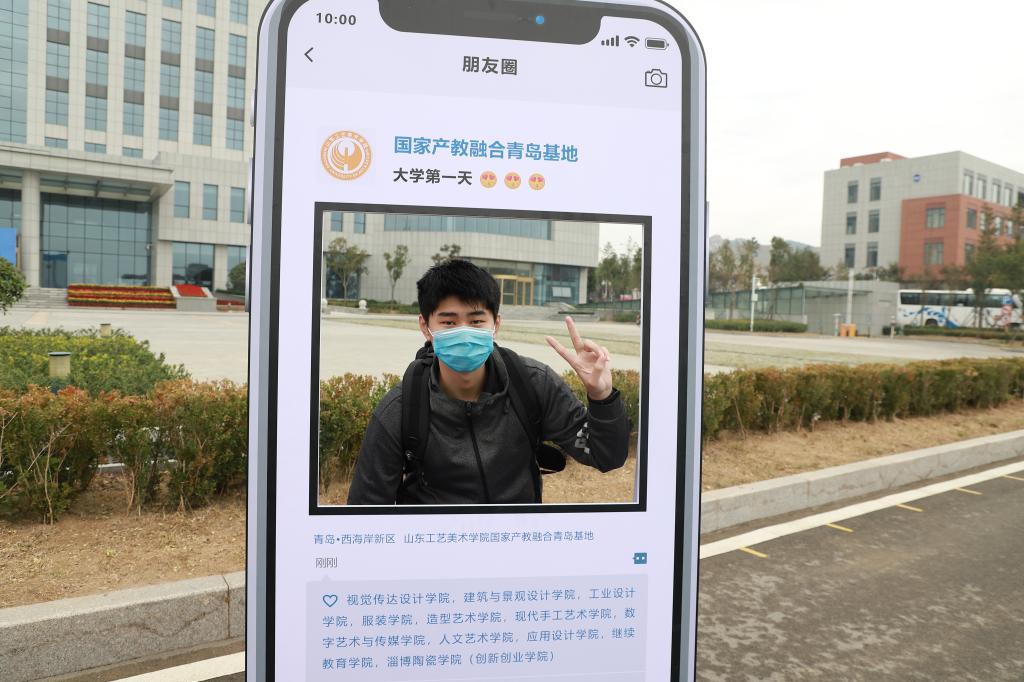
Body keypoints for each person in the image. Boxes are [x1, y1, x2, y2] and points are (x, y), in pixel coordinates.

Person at [347, 259, 631, 505]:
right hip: (437, 546)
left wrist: (602, 396)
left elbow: (606, 456)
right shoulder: (402, 408)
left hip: (515, 544)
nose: (464, 332)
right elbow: (364, 509)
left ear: (496, 325)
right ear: (425, 326)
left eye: (476, 321)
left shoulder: (532, 383)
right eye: (448, 322)